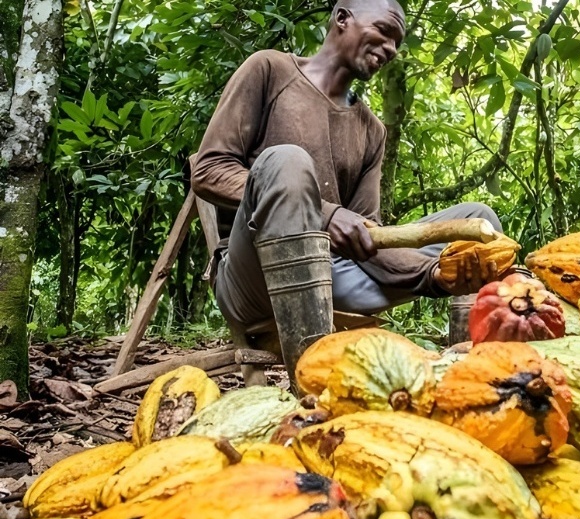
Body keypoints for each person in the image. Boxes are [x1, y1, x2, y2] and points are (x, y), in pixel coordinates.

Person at [191, 0, 501, 384]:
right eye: (385, 32)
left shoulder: (372, 130)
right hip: (254, 277)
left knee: (477, 220)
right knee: (287, 162)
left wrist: (434, 274)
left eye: (397, 43)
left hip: (333, 277)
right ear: (342, 19)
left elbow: (366, 240)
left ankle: (469, 380)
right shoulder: (269, 69)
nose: (390, 49)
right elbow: (208, 170)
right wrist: (326, 214)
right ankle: (309, 381)